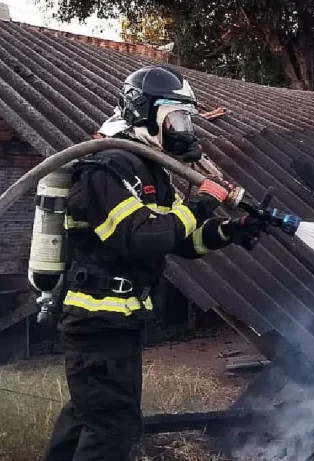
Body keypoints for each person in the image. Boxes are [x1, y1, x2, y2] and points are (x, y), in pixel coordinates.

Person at [43, 65, 262, 461]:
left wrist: (230, 231)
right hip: (97, 321)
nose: (184, 129)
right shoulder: (106, 166)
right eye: (177, 118)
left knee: (87, 416)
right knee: (112, 427)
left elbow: (181, 239)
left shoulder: (148, 171)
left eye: (187, 119)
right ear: (146, 114)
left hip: (116, 322)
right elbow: (143, 237)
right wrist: (203, 201)